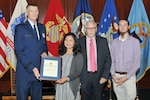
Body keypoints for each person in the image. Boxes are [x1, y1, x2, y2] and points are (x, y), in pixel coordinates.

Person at [14, 4, 48, 100]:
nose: (34, 13)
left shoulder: (42, 28)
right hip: (25, 72)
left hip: (39, 73)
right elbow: (19, 51)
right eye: (31, 11)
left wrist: (45, 52)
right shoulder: (20, 28)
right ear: (27, 13)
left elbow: (44, 46)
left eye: (36, 11)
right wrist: (32, 68)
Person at [78, 20, 111, 100]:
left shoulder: (103, 41)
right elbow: (76, 62)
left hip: (99, 77)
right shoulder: (78, 42)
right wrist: (78, 79)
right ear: (85, 30)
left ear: (96, 29)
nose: (91, 30)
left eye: (93, 28)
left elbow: (108, 59)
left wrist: (105, 76)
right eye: (88, 28)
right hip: (84, 77)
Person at [110, 19, 140, 100]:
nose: (122, 27)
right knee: (119, 98)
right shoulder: (114, 42)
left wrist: (126, 77)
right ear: (118, 27)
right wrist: (113, 75)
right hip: (116, 77)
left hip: (129, 77)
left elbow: (136, 63)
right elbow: (112, 60)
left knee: (130, 98)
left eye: (125, 25)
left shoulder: (135, 42)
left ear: (129, 27)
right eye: (120, 25)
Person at [55, 32, 84, 100]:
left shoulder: (78, 55)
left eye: (71, 40)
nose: (68, 42)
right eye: (66, 40)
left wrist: (66, 79)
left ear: (75, 42)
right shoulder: (60, 55)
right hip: (60, 85)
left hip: (71, 85)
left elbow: (78, 72)